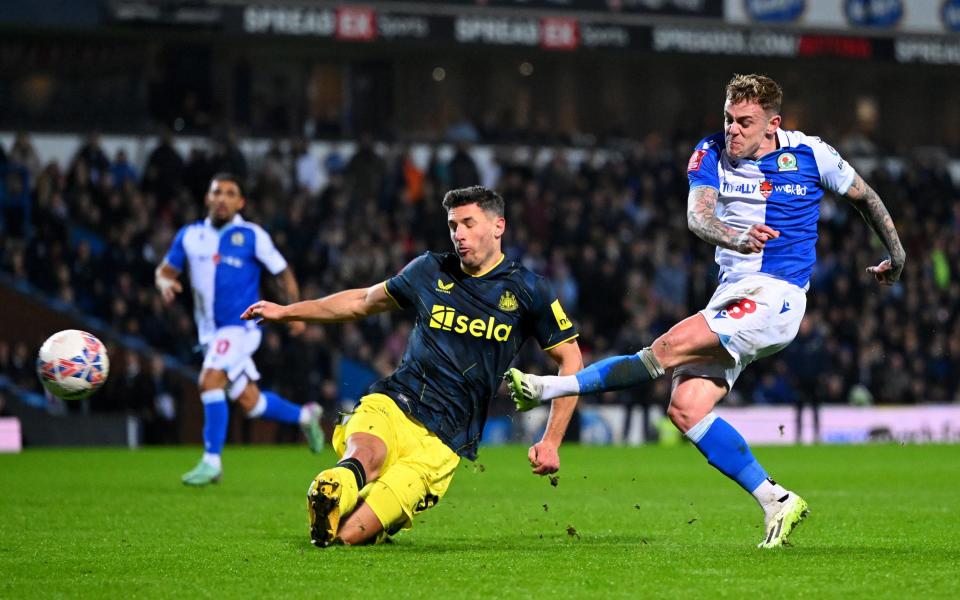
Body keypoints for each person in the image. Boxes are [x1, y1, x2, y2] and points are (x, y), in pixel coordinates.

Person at [506, 74, 906, 549]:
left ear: (772, 123)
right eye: (728, 118)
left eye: (745, 122)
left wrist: (896, 255)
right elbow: (698, 216)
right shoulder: (710, 152)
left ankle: (546, 387)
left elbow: (865, 196)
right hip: (732, 296)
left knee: (666, 348)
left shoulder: (811, 154)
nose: (733, 130)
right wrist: (734, 236)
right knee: (685, 408)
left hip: (776, 295)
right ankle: (775, 499)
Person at [242, 185, 583, 547]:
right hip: (396, 401)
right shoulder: (430, 270)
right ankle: (332, 489)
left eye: (468, 223)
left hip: (446, 438)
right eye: (453, 225)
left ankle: (341, 507)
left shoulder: (529, 290)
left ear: (498, 226)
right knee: (365, 456)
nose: (459, 235)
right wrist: (286, 311)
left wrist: (551, 440)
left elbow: (571, 358)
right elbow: (362, 301)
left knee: (349, 536)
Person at [155, 173, 324, 486]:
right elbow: (164, 271)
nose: (222, 198)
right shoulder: (190, 236)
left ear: (240, 202)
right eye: (217, 191)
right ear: (207, 198)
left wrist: (293, 312)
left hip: (241, 327)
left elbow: (283, 272)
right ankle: (305, 416)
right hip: (209, 335)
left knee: (209, 381)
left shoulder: (252, 235)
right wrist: (165, 283)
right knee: (251, 403)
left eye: (230, 193)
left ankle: (211, 461)